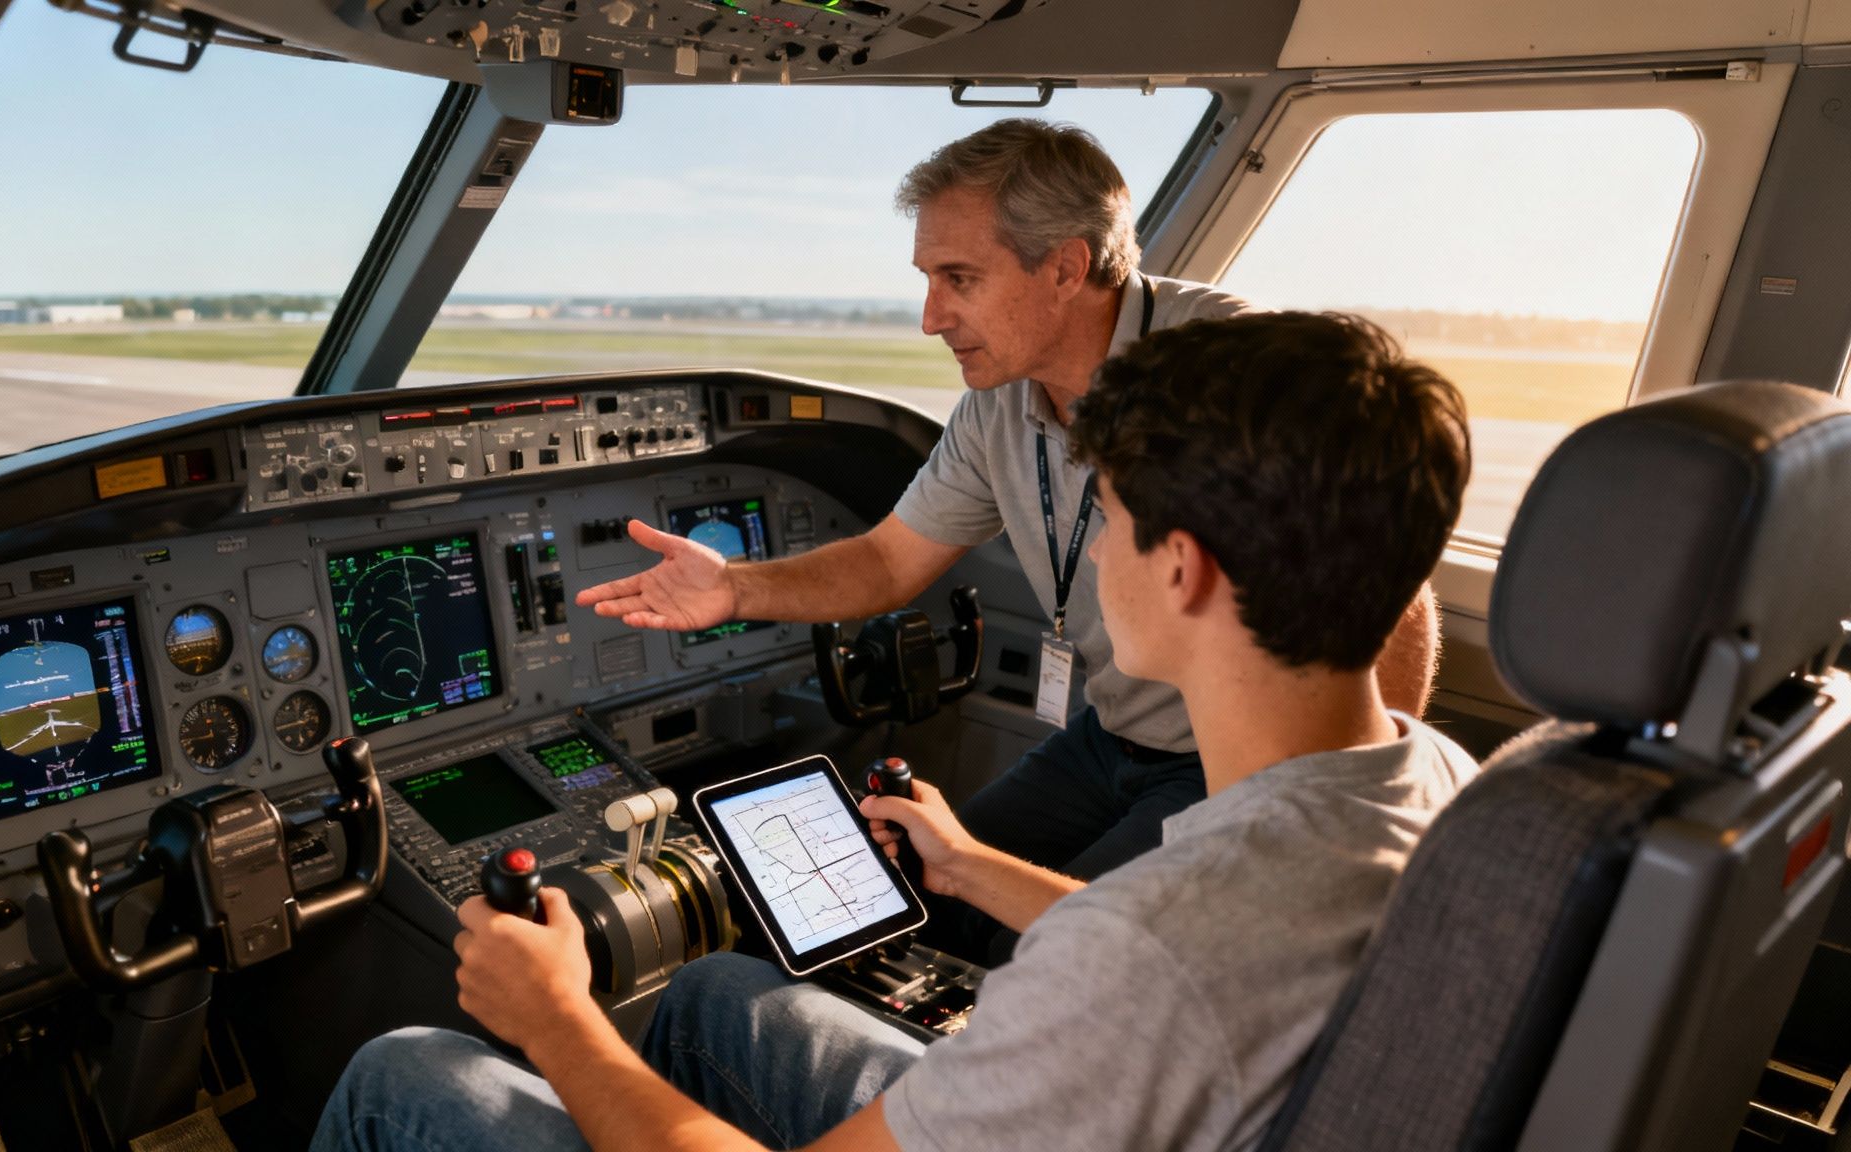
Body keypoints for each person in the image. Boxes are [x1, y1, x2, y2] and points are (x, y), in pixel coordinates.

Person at [315, 310, 1480, 1152]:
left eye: (1109, 519)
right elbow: (1199, 964)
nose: (1091, 556)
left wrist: (561, 1021)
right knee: (717, 990)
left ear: (1180, 571)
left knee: (405, 1075)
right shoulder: (1424, 777)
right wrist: (976, 870)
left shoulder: (1139, 966)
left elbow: (1151, 969)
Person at [573, 122, 1440, 951]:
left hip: (1239, 758)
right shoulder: (1000, 400)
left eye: (959, 277)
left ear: (1065, 267)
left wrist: (1327, 796)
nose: (930, 316)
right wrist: (736, 588)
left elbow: (1386, 588)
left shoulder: (1229, 369)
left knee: (1046, 961)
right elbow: (887, 559)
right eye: (927, 278)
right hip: (1111, 735)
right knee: (904, 898)